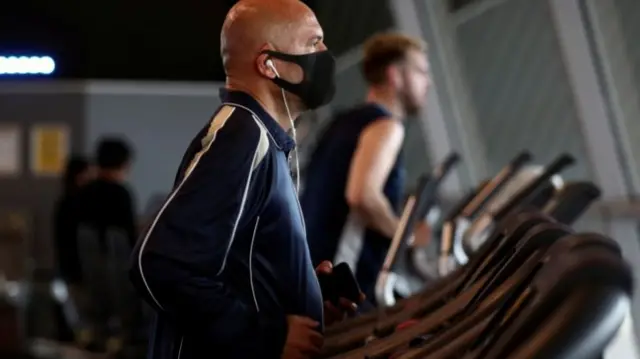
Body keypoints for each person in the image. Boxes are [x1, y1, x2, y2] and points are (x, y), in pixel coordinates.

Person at [128, 1, 362, 358]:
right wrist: (268, 337)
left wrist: (303, 292)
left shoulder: (266, 140)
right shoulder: (242, 136)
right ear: (268, 64)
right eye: (313, 42)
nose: (325, 54)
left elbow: (235, 266)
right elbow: (161, 263)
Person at [301, 32, 432, 304]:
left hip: (312, 275)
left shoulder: (341, 123)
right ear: (395, 76)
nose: (427, 82)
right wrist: (405, 237)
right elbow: (363, 196)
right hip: (344, 288)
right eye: (420, 71)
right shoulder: (386, 127)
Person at [74, 137, 136, 352]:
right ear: (124, 164)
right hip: (118, 279)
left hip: (87, 279)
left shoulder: (82, 194)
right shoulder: (121, 195)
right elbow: (130, 241)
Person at [52, 155, 94, 344]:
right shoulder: (78, 204)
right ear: (80, 176)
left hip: (66, 271)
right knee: (81, 323)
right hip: (76, 273)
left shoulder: (63, 203)